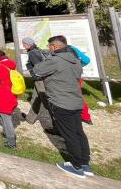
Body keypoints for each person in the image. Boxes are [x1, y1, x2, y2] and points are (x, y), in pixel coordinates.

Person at [34, 36, 92, 179]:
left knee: (69, 134)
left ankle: (76, 166)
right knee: (79, 132)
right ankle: (85, 164)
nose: (48, 49)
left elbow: (37, 70)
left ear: (54, 47)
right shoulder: (76, 60)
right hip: (77, 101)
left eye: (49, 47)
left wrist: (47, 58)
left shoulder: (54, 60)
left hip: (61, 102)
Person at [59, 36, 93, 125]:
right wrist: (78, 66)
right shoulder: (72, 48)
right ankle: (85, 117)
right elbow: (86, 60)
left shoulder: (59, 51)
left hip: (64, 77)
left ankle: (68, 120)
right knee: (78, 96)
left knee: (63, 97)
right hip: (76, 76)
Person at [21, 38, 52, 127]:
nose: (23, 46)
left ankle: (55, 123)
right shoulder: (36, 50)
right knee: (35, 98)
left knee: (46, 101)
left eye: (24, 44)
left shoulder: (32, 53)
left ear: (28, 44)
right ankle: (30, 118)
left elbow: (39, 67)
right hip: (39, 79)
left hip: (40, 80)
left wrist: (37, 76)